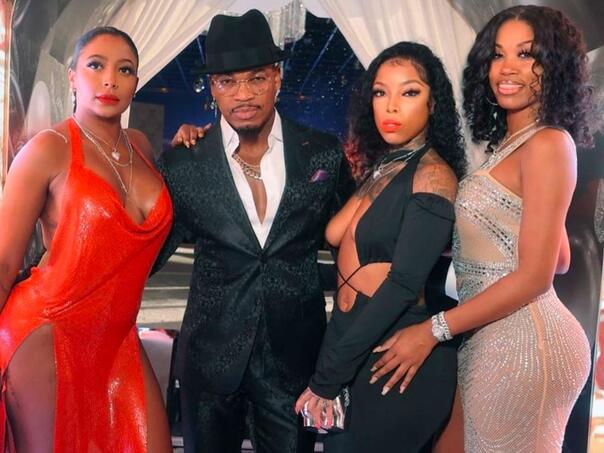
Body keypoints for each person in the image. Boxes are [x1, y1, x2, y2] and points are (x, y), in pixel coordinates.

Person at [369, 5, 597, 452]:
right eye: (497, 54)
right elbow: (561, 257)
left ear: (554, 66)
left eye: (526, 54)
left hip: (523, 343)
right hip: (489, 334)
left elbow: (537, 275)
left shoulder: (549, 143)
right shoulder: (511, 145)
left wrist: (432, 330)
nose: (506, 68)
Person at [153, 9, 354, 453]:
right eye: (228, 81)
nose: (243, 94)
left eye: (256, 78)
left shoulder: (322, 153)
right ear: (213, 87)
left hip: (294, 363)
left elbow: (357, 242)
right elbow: (146, 255)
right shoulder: (184, 164)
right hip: (209, 365)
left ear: (277, 78)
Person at [0, 27, 173, 452]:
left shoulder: (141, 146)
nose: (109, 79)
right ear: (73, 77)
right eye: (96, 65)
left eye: (124, 70)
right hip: (47, 333)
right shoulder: (48, 148)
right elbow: (3, 264)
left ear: (136, 82)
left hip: (118, 342)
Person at [293, 41, 466, 452]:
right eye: (380, 92)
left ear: (433, 103)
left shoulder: (433, 176)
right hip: (352, 341)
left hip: (393, 355)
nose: (391, 106)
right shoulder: (386, 165)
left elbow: (403, 285)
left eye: (409, 92)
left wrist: (328, 376)